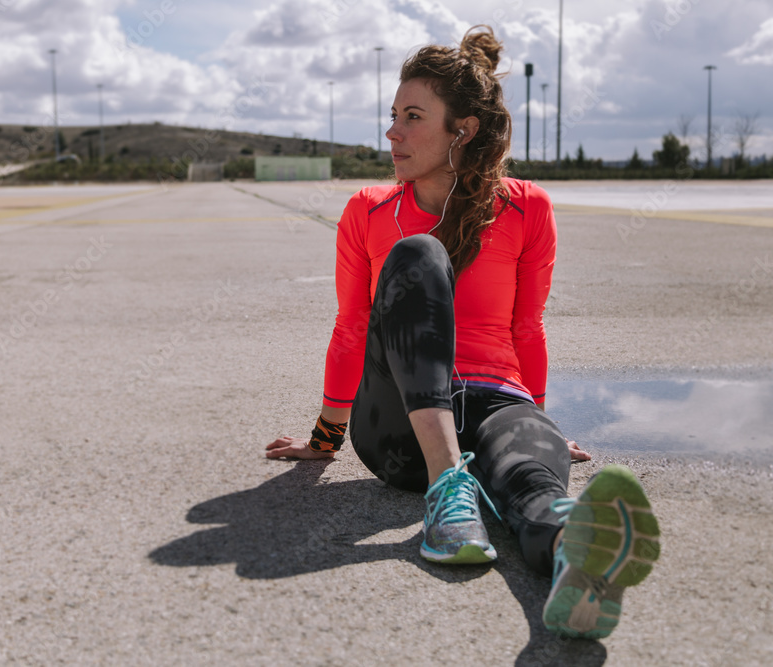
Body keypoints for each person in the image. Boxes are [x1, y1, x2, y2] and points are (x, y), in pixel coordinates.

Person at [266, 25, 660, 639]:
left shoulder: (528, 207)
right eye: (393, 115)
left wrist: (541, 420)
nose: (392, 132)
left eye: (413, 117)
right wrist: (324, 437)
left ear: (463, 129)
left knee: (533, 482)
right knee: (418, 255)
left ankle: (574, 558)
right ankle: (449, 485)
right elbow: (351, 328)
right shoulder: (367, 211)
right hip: (399, 423)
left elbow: (526, 327)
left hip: (497, 395)